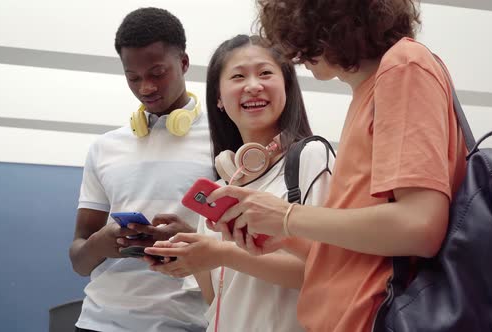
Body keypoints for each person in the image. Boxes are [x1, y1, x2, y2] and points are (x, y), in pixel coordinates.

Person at [206, 1, 469, 331]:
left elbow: (419, 226)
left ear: (318, 21)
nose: (296, 57)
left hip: (375, 318)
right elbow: (365, 244)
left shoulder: (402, 67)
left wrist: (287, 217)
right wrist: (285, 235)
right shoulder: (372, 86)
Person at [143, 34, 334, 332]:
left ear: (287, 87)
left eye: (266, 73)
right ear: (218, 98)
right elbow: (217, 301)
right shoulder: (221, 186)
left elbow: (329, 270)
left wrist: (223, 253)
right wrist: (192, 258)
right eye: (238, 76)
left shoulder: (311, 157)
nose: (253, 85)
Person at [68, 7, 214, 332]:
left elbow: (243, 250)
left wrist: (190, 237)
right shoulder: (105, 148)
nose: (145, 87)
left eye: (157, 73)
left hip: (189, 323)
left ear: (184, 63)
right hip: (98, 323)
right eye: (133, 78)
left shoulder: (224, 141)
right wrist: (100, 244)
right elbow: (78, 259)